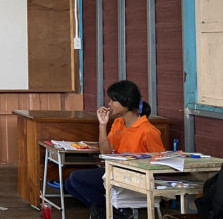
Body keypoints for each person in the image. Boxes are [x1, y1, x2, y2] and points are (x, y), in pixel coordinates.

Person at [65, 80, 165, 208]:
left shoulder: (148, 130)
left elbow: (159, 162)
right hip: (115, 171)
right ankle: (110, 211)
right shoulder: (118, 123)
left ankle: (111, 212)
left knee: (75, 178)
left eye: (113, 100)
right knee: (68, 185)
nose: (109, 104)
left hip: (134, 177)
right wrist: (102, 125)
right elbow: (105, 152)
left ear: (126, 102)